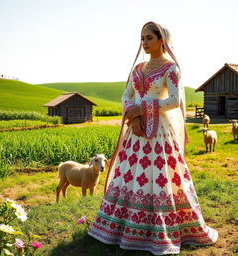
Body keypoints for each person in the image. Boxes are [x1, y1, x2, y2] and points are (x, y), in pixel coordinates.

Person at [88, 21, 218, 255]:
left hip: (160, 132)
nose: (144, 43)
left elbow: (174, 101)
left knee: (159, 176)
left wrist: (143, 109)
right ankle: (122, 227)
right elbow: (126, 96)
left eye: (149, 38)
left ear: (162, 40)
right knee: (130, 174)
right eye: (142, 38)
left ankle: (161, 230)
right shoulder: (137, 69)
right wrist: (134, 116)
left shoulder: (171, 69)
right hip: (135, 131)